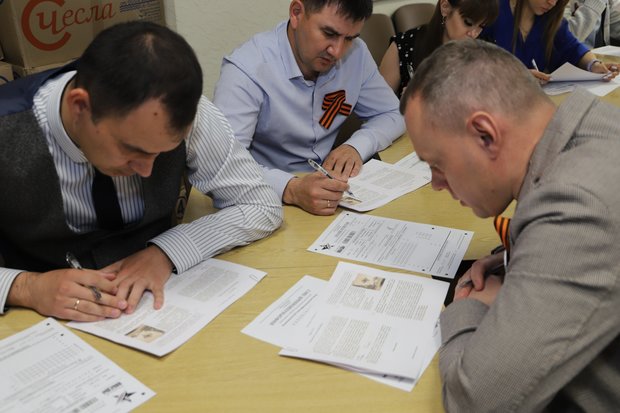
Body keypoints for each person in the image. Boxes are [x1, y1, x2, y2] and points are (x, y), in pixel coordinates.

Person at [0, 22, 283, 322]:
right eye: (133, 149)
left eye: (160, 153)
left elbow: (260, 204)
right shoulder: (7, 129)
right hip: (34, 319)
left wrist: (166, 252)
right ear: (80, 105)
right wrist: (27, 288)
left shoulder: (177, 110)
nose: (147, 171)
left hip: (156, 305)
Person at [400, 39, 619, 412]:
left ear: (485, 135)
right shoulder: (591, 129)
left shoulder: (578, 204)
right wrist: (521, 253)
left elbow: (474, 401)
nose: (436, 183)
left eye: (437, 164)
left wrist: (465, 306)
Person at [213, 0, 405, 216]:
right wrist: (291, 189)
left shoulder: (356, 54)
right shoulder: (246, 69)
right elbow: (222, 166)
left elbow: (393, 113)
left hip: (329, 197)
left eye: (349, 38)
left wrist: (356, 146)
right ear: (296, 13)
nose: (337, 51)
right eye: (329, 33)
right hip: (263, 200)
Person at [379, 0, 499, 96]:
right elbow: (378, 107)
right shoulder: (404, 45)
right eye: (468, 22)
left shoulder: (486, 50)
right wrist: (406, 105)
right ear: (445, 7)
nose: (473, 33)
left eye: (481, 26)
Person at [482, 0, 617, 83]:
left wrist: (593, 64)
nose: (552, 3)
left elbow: (572, 48)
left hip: (534, 103)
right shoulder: (491, 10)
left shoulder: (549, 18)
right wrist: (515, 77)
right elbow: (473, 64)